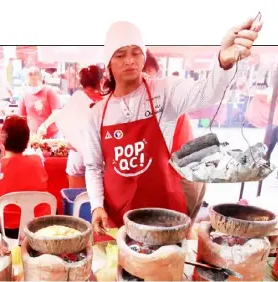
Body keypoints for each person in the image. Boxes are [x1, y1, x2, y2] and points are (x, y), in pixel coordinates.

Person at [85, 19, 262, 238]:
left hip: (163, 212)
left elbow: (207, 94)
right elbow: (93, 167)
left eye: (136, 53)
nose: (129, 61)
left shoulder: (166, 92)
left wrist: (222, 63)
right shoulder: (97, 114)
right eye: (120, 55)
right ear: (109, 62)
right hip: (117, 212)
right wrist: (96, 205)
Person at [143, 49, 207, 221]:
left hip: (180, 179)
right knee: (181, 235)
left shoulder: (155, 96)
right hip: (192, 172)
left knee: (172, 237)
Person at [0, 116, 50, 239]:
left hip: (8, 231)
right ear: (27, 141)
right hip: (38, 227)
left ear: (3, 139)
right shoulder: (37, 161)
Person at [19, 66, 62, 139]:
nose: (32, 86)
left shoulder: (49, 91)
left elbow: (57, 112)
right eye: (30, 84)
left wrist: (45, 125)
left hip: (52, 136)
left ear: (41, 81)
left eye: (35, 84)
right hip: (34, 137)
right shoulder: (24, 95)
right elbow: (22, 118)